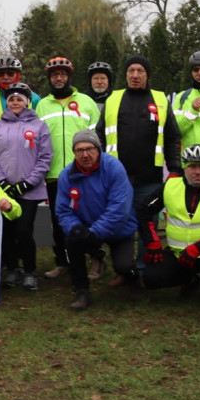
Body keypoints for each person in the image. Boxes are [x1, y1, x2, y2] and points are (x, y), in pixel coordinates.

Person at [95, 55, 181, 272]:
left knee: (147, 227)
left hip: (150, 180)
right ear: (125, 74)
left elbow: (172, 137)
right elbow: (100, 136)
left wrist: (176, 169)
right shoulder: (113, 100)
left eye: (140, 71)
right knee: (119, 226)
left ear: (147, 75)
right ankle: (123, 270)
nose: (135, 75)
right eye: (131, 71)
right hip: (118, 179)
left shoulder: (161, 101)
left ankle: (143, 270)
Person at [141, 144, 200, 315]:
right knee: (150, 278)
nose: (197, 172)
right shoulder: (170, 186)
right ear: (184, 167)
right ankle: (190, 281)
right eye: (192, 166)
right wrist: (152, 242)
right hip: (179, 255)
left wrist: (199, 248)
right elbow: (143, 210)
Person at [56, 129, 138, 310]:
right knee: (71, 241)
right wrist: (76, 228)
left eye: (90, 149)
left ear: (98, 149)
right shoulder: (66, 175)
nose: (85, 154)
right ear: (74, 153)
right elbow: (63, 210)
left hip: (119, 229)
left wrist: (95, 232)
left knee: (123, 265)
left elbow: (119, 208)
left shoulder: (114, 168)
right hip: (88, 229)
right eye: (79, 150)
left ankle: (133, 278)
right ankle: (81, 291)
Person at [0, 82, 53, 290]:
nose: (15, 102)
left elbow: (45, 157)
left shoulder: (39, 126)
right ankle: (13, 269)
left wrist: (27, 183)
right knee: (6, 231)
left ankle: (30, 271)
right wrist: (1, 182)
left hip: (28, 191)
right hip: (3, 189)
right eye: (11, 99)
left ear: (27, 102)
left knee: (24, 231)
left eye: (19, 99)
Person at [35, 57, 100, 280]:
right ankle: (62, 262)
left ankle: (95, 259)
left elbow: (98, 139)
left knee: (87, 218)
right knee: (57, 220)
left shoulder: (86, 102)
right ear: (50, 79)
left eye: (63, 74)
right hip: (54, 175)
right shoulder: (42, 105)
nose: (59, 78)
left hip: (83, 172)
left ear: (69, 76)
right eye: (55, 75)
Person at [0, 57, 41, 132]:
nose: (5, 77)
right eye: (1, 74)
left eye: (10, 74)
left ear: (18, 75)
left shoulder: (34, 98)